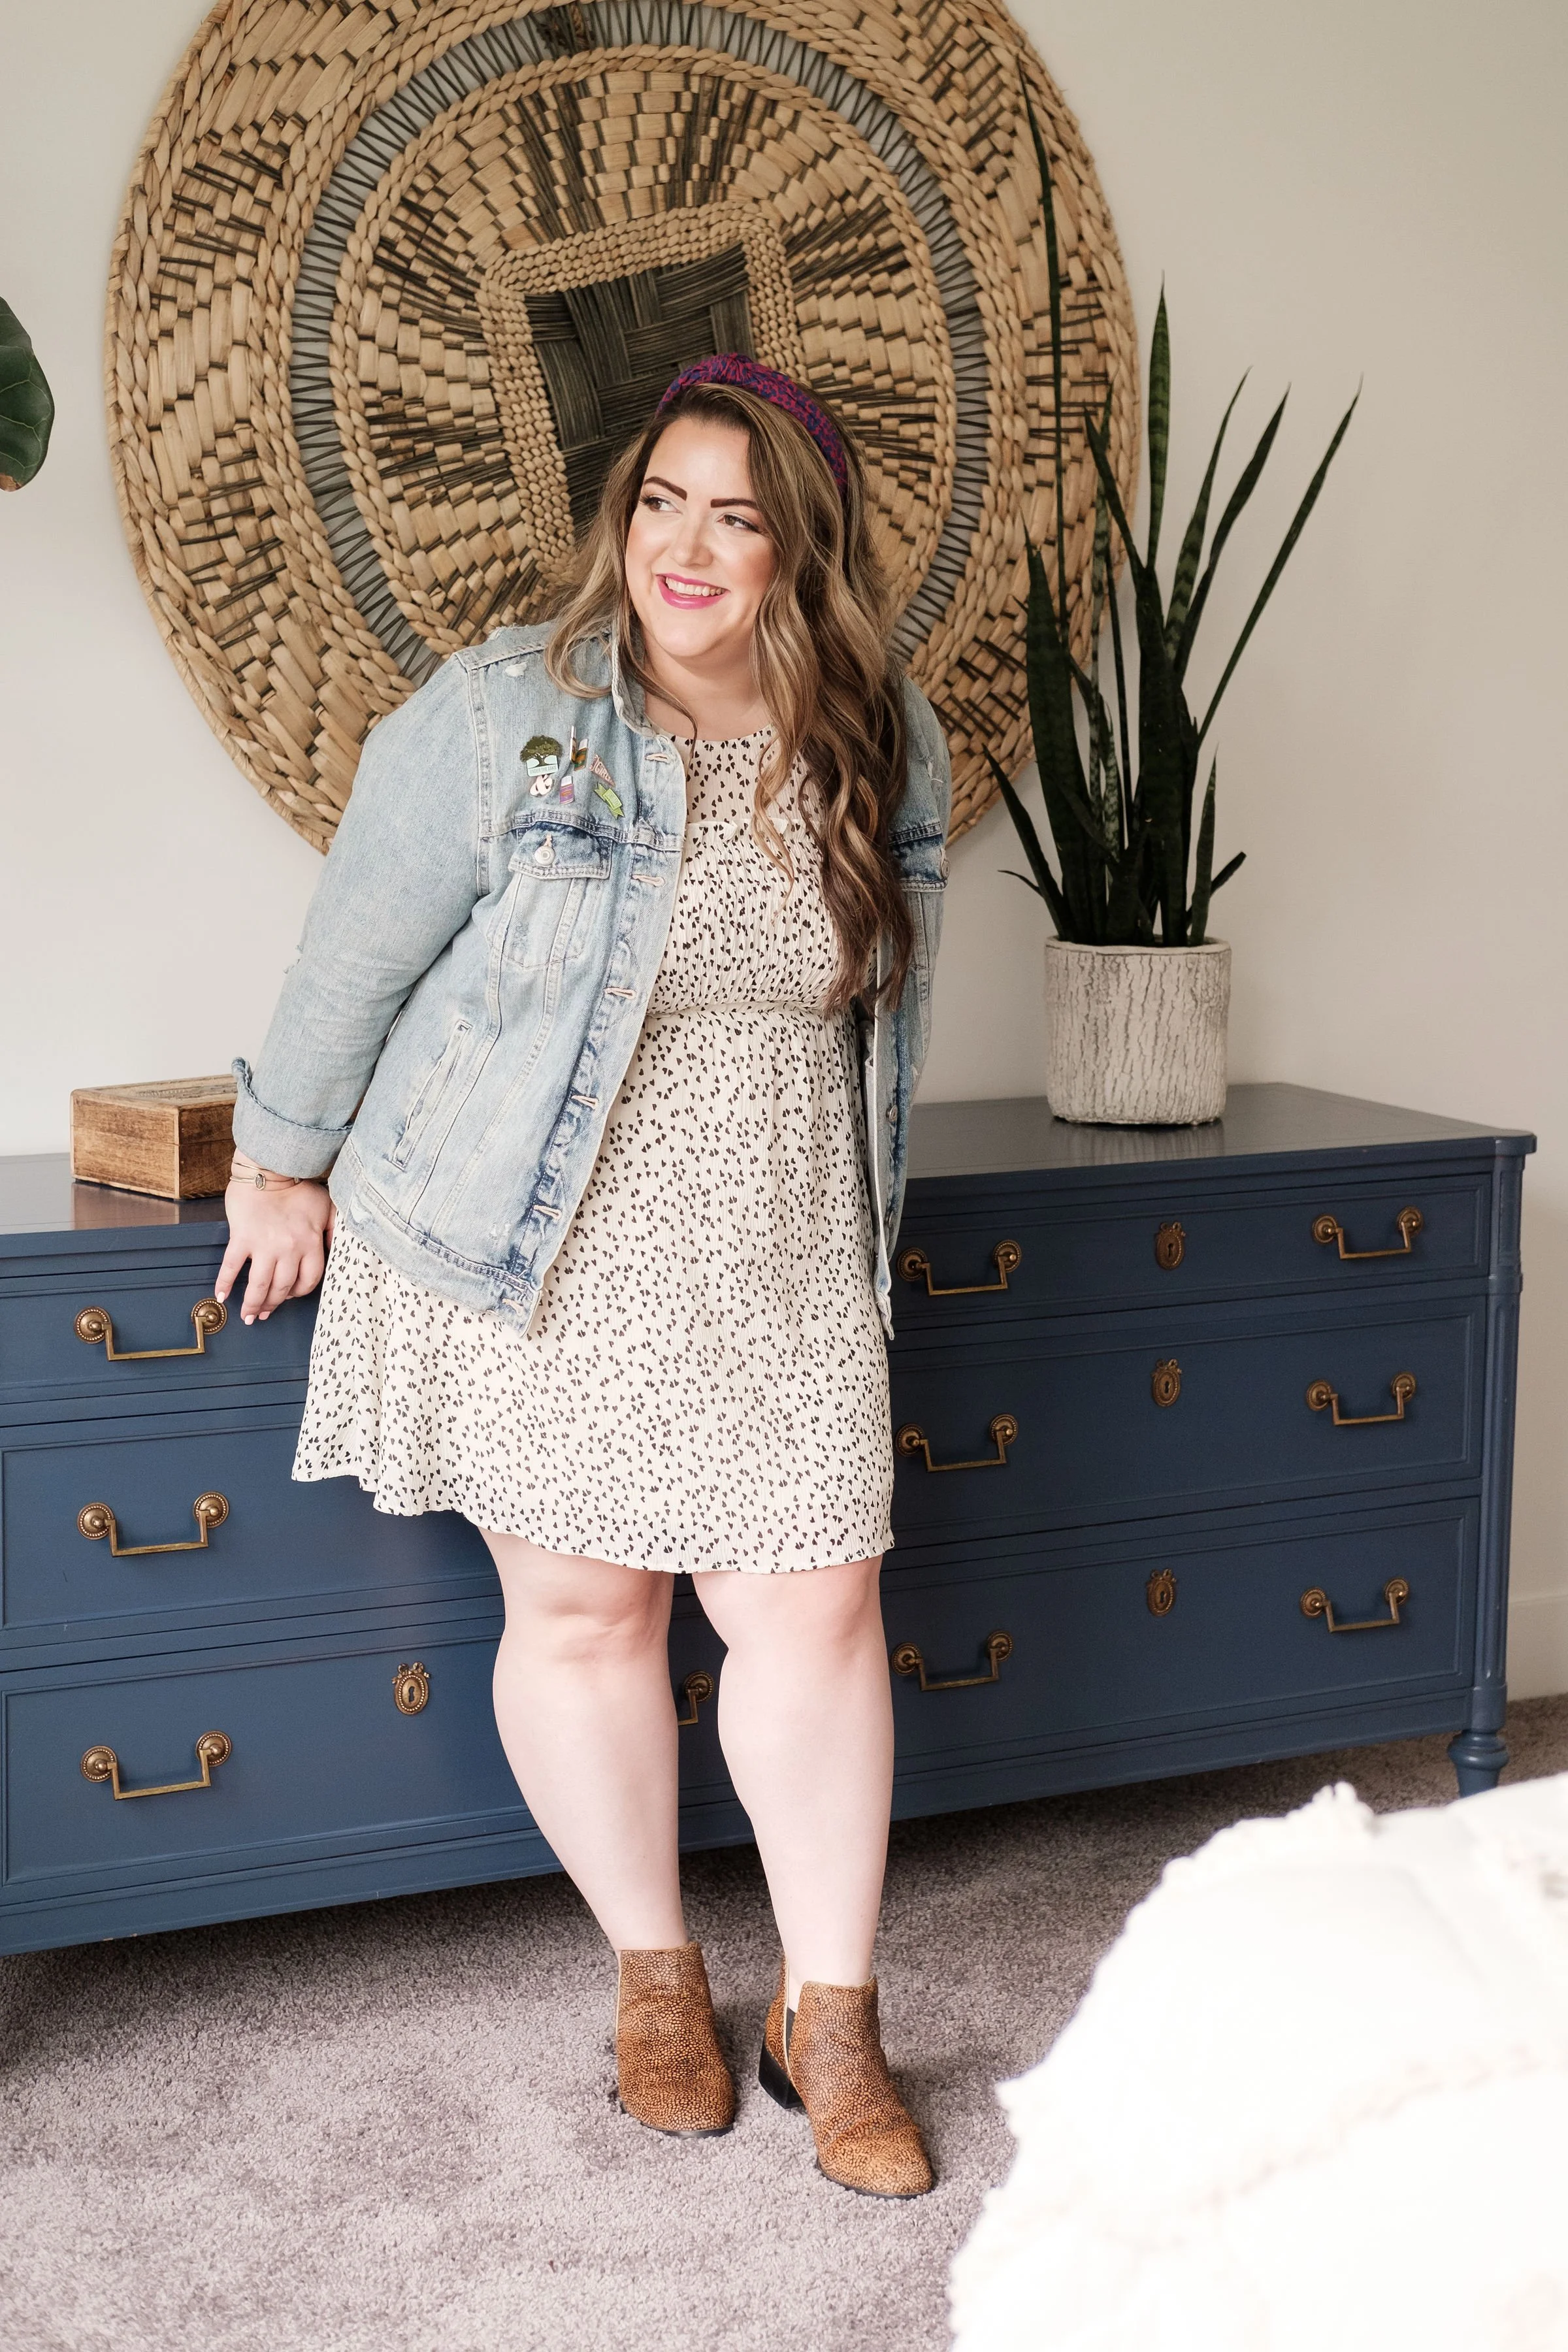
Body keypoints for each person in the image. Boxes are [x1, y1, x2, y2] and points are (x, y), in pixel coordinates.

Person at [217, 354, 951, 2198]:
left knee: (819, 1618)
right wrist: (281, 1159)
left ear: (805, 554)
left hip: (778, 1236)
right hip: (534, 1236)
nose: (688, 549)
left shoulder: (885, 737)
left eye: (741, 517)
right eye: (661, 504)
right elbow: (354, 959)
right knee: (590, 1620)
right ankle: (655, 1974)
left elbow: (880, 1030)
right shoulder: (497, 719)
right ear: (621, 516)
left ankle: (834, 2013)